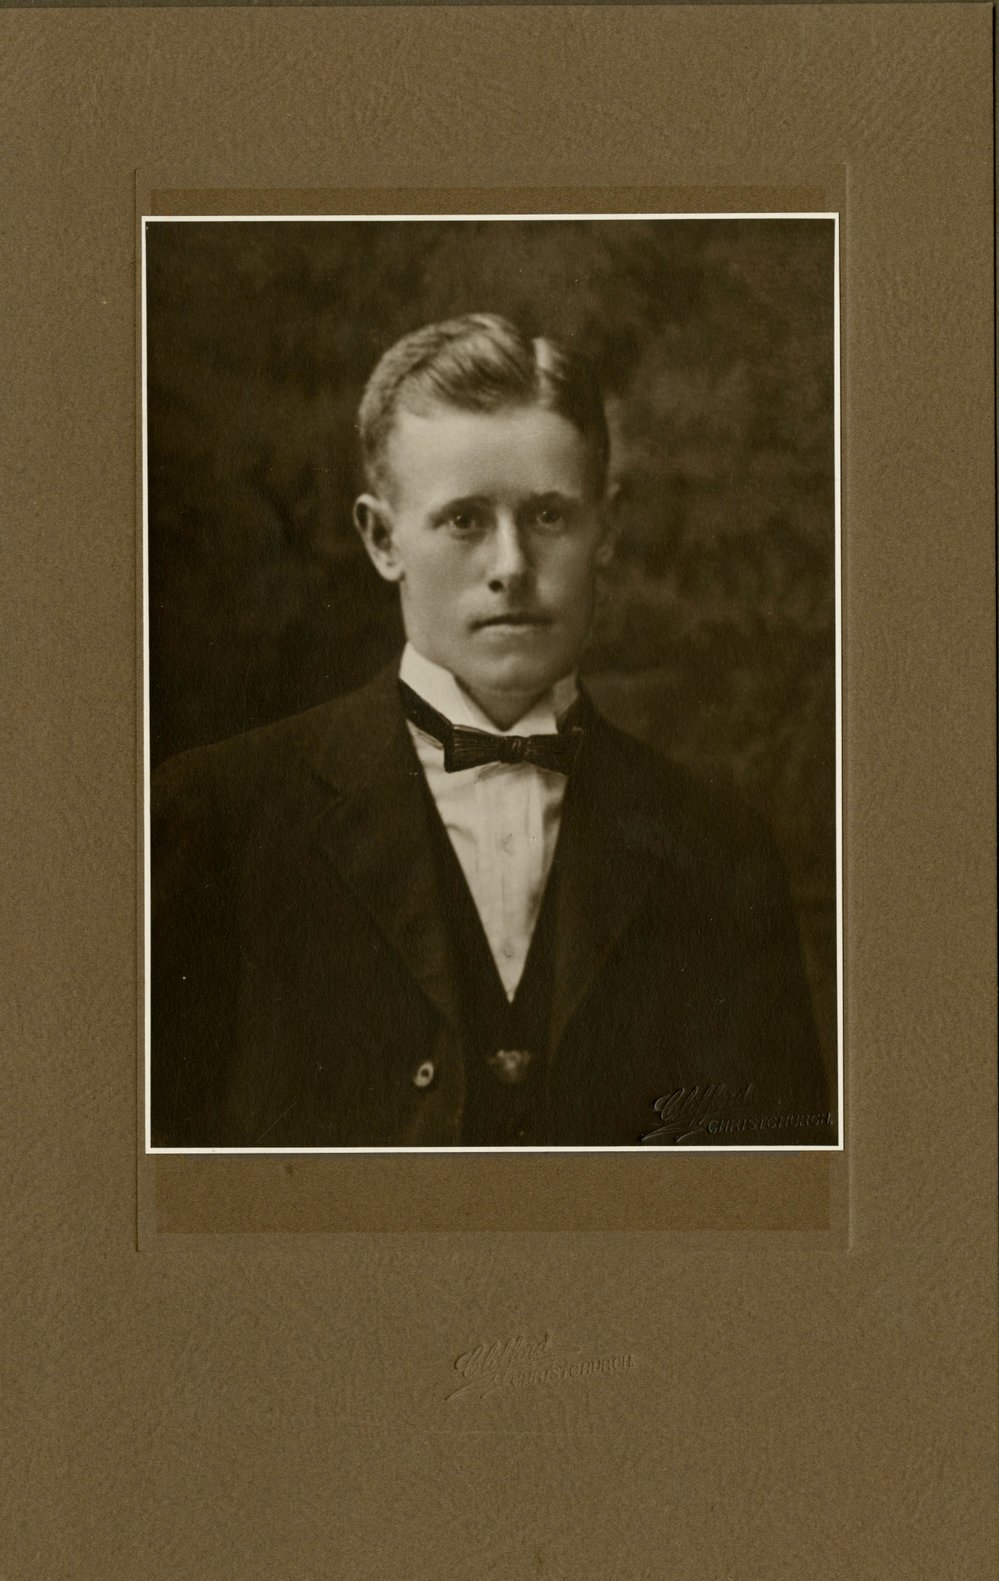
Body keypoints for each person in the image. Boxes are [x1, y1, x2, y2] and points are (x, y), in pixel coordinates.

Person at [151, 313, 834, 1149]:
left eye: (548, 516)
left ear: (606, 528)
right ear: (381, 538)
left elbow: (771, 1203)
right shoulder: (213, 820)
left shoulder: (720, 852)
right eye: (464, 520)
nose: (510, 564)